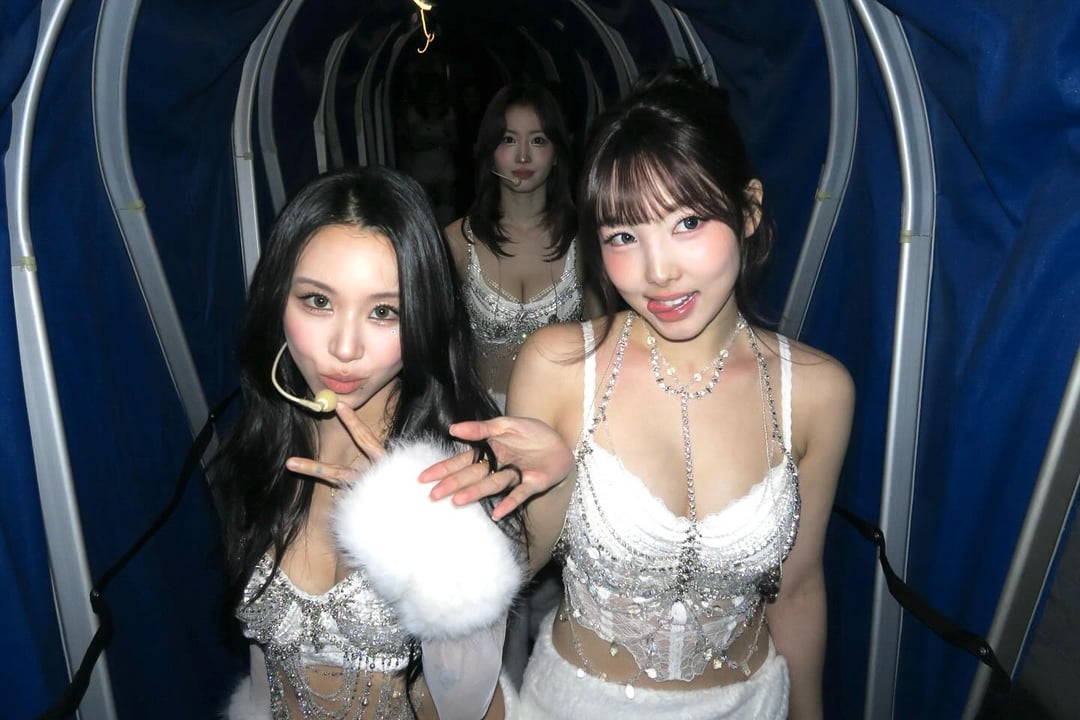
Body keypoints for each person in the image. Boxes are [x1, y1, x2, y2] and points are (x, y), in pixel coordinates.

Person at [421, 65, 855, 719]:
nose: (658, 271)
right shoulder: (560, 366)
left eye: (688, 222)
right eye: (624, 236)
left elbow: (796, 592)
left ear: (748, 209)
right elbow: (508, 577)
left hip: (752, 702)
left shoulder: (818, 392)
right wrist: (545, 488)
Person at [213, 166, 525, 719]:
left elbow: (466, 706)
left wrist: (426, 535)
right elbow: (262, 678)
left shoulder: (456, 475)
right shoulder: (258, 451)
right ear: (277, 301)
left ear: (423, 317)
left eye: (384, 311)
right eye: (318, 301)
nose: (344, 347)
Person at [444, 81, 591, 411]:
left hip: (563, 415)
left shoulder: (585, 241)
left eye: (538, 140)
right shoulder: (457, 242)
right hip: (481, 418)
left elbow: (606, 344)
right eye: (508, 139)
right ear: (490, 152)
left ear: (557, 153)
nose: (523, 155)